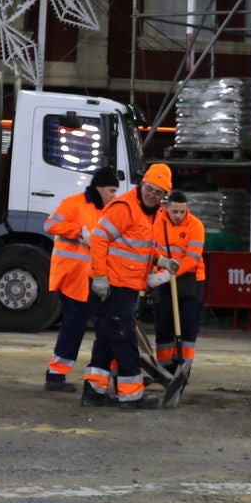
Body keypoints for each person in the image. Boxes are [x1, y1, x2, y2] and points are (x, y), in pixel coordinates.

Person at [83, 162, 173, 409]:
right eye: (150, 189)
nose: (152, 195)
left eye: (158, 193)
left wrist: (160, 259)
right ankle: (131, 395)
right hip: (114, 285)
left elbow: (138, 245)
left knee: (106, 338)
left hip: (126, 285)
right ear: (142, 184)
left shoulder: (150, 214)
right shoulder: (125, 208)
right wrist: (100, 277)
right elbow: (99, 239)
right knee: (123, 338)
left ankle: (93, 391)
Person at [42, 166, 120, 391]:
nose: (114, 196)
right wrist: (78, 231)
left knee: (107, 327)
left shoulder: (107, 210)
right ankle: (55, 375)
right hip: (73, 277)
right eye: (112, 190)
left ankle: (118, 372)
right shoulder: (73, 204)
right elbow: (50, 225)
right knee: (74, 325)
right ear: (100, 188)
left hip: (94, 277)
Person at [152, 189, 206, 387]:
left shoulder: (196, 225)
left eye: (183, 212)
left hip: (192, 279)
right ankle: (165, 370)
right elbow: (152, 250)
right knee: (164, 325)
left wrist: (171, 272)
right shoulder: (157, 223)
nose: (179, 216)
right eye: (175, 211)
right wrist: (159, 274)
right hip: (164, 280)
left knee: (188, 327)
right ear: (167, 208)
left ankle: (184, 369)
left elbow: (192, 258)